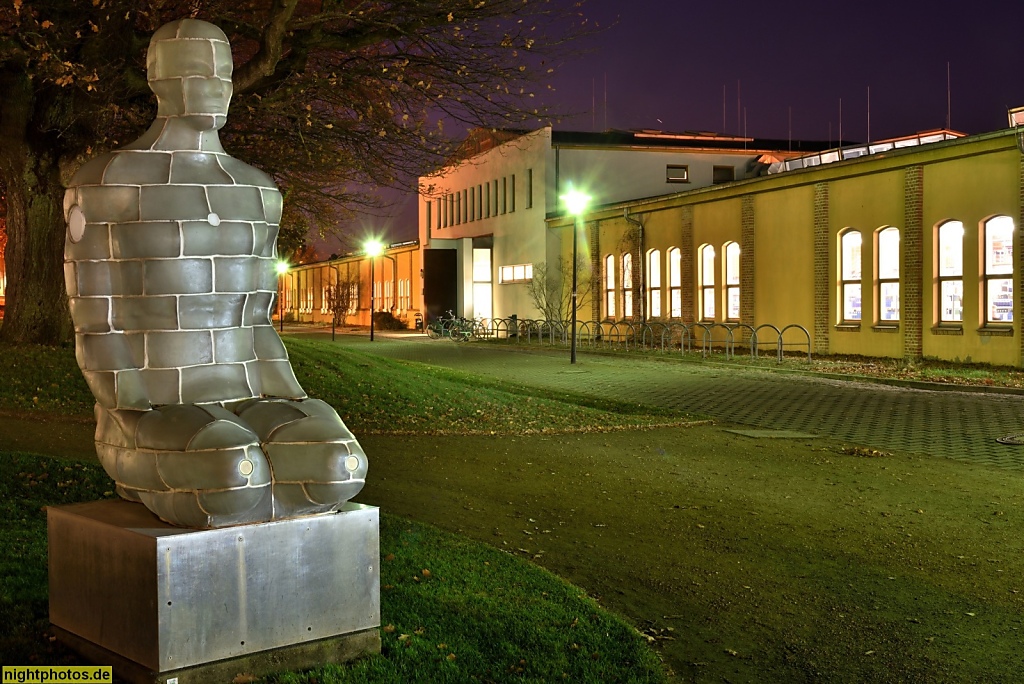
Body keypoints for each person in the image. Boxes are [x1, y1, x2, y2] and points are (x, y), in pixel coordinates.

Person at [63, 18, 367, 528]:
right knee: (233, 470)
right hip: (155, 402)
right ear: (159, 80)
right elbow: (95, 321)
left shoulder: (259, 194)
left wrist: (294, 398)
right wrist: (131, 412)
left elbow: (257, 320)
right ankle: (176, 480)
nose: (218, 89)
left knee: (338, 464)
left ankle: (250, 492)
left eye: (223, 75)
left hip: (249, 394)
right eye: (200, 73)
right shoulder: (104, 183)